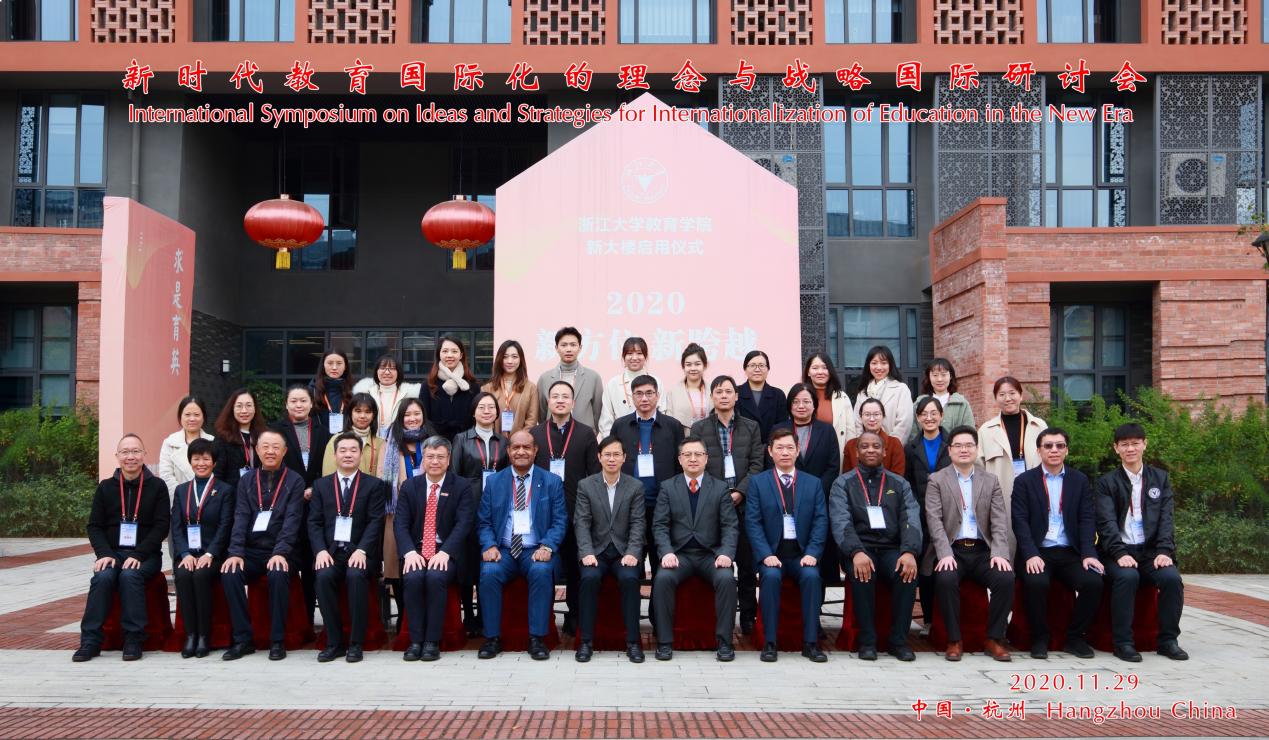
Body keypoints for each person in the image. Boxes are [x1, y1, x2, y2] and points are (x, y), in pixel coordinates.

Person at [73, 435, 171, 662]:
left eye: (135, 451)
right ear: (117, 456)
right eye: (125, 452)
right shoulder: (105, 487)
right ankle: (90, 641)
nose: (130, 457)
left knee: (130, 575)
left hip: (145, 555)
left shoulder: (157, 486)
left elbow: (161, 526)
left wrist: (139, 554)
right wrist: (104, 554)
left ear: (144, 454)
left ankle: (134, 639)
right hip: (113, 553)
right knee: (103, 577)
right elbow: (94, 526)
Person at [1095, 423, 1188, 662]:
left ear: (1144, 444)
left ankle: (1168, 641)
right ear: (1116, 448)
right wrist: (1119, 553)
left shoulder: (1160, 478)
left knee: (1171, 579)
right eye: (1124, 444)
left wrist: (1164, 550)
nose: (1130, 449)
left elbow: (1166, 518)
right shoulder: (1106, 482)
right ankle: (1123, 643)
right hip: (1117, 552)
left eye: (1135, 443)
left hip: (1150, 552)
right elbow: (1106, 523)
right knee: (1127, 577)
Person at [1012, 427, 1104, 660]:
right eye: (1048, 446)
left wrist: (1088, 553)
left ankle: (1074, 637)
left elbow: (1087, 519)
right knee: (1036, 582)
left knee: (1093, 582)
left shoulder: (1079, 480)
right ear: (1039, 451)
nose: (1054, 450)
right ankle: (1039, 637)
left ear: (1066, 450)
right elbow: (1019, 521)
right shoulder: (1024, 481)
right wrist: (1030, 553)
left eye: (1060, 446)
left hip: (1070, 551)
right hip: (1038, 550)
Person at [830, 430, 922, 661]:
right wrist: (856, 551)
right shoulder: (843, 483)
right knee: (863, 573)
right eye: (865, 446)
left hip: (892, 549)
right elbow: (841, 522)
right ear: (856, 452)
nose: (870, 450)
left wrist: (909, 551)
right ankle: (867, 641)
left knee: (906, 573)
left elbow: (911, 519)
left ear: (884, 452)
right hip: (860, 548)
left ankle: (898, 642)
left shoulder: (899, 483)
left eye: (875, 446)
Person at [924, 426, 1013, 662]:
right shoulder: (937, 480)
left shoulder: (990, 480)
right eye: (958, 445)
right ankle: (954, 640)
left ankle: (994, 638)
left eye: (969, 445)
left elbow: (999, 520)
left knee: (1005, 578)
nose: (964, 449)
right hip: (952, 550)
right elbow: (934, 521)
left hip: (983, 550)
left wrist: (999, 553)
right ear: (949, 450)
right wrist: (944, 554)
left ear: (976, 449)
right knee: (945, 579)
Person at [476, 430, 567, 660]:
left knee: (541, 571)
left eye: (526, 447)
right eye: (516, 447)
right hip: (504, 550)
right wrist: (489, 545)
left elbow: (560, 521)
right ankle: (492, 638)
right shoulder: (494, 482)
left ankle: (537, 639)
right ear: (508, 451)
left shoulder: (552, 481)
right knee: (489, 572)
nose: (521, 452)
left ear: (535, 451)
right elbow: (484, 521)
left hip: (535, 549)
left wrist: (547, 547)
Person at [220, 429, 307, 661]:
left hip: (284, 551)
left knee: (278, 572)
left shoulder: (295, 481)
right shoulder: (246, 480)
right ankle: (243, 639)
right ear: (257, 450)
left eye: (275, 447)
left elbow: (292, 522)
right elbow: (240, 517)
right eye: (265, 447)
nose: (270, 451)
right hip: (251, 551)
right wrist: (235, 552)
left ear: (284, 451)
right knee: (230, 572)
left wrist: (281, 552)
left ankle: (277, 640)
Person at [650, 437, 739, 662]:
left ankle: (725, 643)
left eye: (698, 454)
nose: (692, 459)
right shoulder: (668, 487)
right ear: (679, 459)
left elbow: (730, 526)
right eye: (687, 454)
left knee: (727, 579)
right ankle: (664, 642)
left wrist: (726, 553)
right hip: (679, 555)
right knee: (662, 579)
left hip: (710, 555)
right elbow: (660, 525)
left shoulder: (720, 488)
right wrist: (666, 552)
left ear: (706, 459)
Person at [745, 428, 829, 663]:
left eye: (790, 448)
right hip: (773, 555)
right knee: (771, 577)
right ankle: (770, 643)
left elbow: (821, 521)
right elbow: (753, 522)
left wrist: (813, 553)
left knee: (812, 577)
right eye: (779, 448)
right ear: (770, 451)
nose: (785, 453)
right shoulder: (758, 483)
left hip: (802, 555)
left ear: (797, 450)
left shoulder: (813, 483)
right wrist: (765, 554)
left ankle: (810, 643)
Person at [691, 375, 763, 635]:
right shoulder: (699, 428)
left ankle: (748, 617)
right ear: (712, 396)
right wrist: (721, 495)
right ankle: (716, 617)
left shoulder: (751, 427)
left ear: (736, 396)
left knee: (746, 564)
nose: (723, 396)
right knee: (716, 563)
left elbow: (757, 464)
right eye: (719, 391)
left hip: (744, 505)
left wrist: (741, 491)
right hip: (711, 506)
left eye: (728, 391)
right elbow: (695, 465)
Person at [529, 380, 600, 636]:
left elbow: (594, 475)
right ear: (548, 401)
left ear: (573, 402)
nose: (560, 400)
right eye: (555, 396)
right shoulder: (535, 434)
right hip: (542, 515)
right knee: (544, 567)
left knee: (575, 568)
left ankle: (575, 616)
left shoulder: (586, 434)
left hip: (577, 511)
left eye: (565, 396)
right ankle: (544, 619)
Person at [395, 435, 475, 662]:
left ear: (448, 460)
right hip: (417, 549)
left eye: (440, 457)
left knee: (435, 576)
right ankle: (415, 641)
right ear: (423, 459)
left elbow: (464, 524)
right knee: (413, 577)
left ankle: (432, 641)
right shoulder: (410, 486)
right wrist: (409, 552)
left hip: (447, 550)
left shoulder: (461, 486)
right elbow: (400, 524)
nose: (435, 461)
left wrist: (445, 552)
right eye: (430, 456)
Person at [309, 433, 387, 663]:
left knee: (355, 575)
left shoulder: (374, 485)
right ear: (335, 455)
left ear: (360, 454)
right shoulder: (321, 485)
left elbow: (375, 521)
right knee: (323, 576)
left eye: (353, 450)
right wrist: (320, 551)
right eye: (342, 450)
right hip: (330, 552)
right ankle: (334, 642)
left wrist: (362, 550)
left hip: (361, 552)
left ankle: (356, 643)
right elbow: (314, 522)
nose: (348, 455)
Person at [573, 436, 646, 663]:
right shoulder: (586, 485)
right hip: (596, 551)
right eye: (607, 454)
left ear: (624, 458)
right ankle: (586, 642)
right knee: (589, 578)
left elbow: (638, 523)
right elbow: (581, 522)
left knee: (630, 579)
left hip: (624, 552)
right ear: (599, 457)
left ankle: (633, 642)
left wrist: (633, 552)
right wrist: (586, 552)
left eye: (616, 454)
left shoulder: (635, 486)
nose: (611, 459)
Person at [771, 383, 843, 597]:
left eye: (806, 401)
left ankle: (815, 607)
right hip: (784, 501)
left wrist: (813, 491)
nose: (801, 406)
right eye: (796, 402)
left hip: (817, 501)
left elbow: (833, 466)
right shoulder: (778, 429)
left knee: (816, 560)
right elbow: (771, 465)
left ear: (814, 405)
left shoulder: (826, 430)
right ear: (789, 405)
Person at [611, 375, 685, 578]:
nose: (644, 398)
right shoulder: (620, 425)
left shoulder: (673, 426)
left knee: (660, 560)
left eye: (649, 393)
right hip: (629, 504)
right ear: (632, 397)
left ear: (658, 396)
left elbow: (680, 466)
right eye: (639, 394)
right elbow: (613, 459)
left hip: (662, 503)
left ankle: (657, 601)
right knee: (630, 562)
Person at [449, 392, 509, 634]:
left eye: (491, 407)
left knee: (489, 559)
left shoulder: (503, 441)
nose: (486, 411)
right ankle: (469, 615)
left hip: (495, 507)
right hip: (467, 505)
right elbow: (454, 475)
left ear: (497, 413)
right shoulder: (461, 439)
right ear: (473, 412)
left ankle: (485, 614)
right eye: (481, 407)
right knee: (467, 562)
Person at [170, 439, 235, 659]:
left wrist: (210, 554)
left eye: (206, 459)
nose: (201, 463)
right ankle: (191, 635)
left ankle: (204, 636)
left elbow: (225, 526)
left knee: (201, 575)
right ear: (190, 461)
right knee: (182, 574)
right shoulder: (181, 491)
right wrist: (184, 554)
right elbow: (176, 527)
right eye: (196, 458)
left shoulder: (225, 490)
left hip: (213, 554)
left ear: (214, 462)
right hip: (188, 553)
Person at [378, 398, 438, 629]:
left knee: (426, 565)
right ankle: (404, 616)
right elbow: (382, 477)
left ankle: (425, 617)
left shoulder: (433, 441)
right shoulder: (389, 443)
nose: (412, 419)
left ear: (423, 415)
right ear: (400, 418)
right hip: (397, 512)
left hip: (430, 510)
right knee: (398, 565)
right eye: (407, 415)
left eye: (416, 414)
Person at [272, 384, 329, 627]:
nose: (298, 405)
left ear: (311, 404)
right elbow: (272, 467)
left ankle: (311, 620)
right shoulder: (276, 431)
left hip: (316, 505)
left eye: (303, 401)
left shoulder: (323, 432)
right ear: (286, 404)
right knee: (290, 561)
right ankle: (294, 622)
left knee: (312, 564)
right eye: (293, 401)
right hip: (286, 505)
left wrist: (315, 488)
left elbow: (328, 467)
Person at [978, 375, 1047, 557]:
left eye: (1012, 393)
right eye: (1001, 394)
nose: (1007, 398)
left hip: (1035, 490)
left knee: (1036, 536)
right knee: (1005, 538)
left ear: (1021, 395)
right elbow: (979, 468)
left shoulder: (1039, 425)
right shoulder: (985, 430)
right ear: (995, 398)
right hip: (1001, 494)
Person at [903, 397, 951, 629]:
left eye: (934, 413)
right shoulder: (910, 448)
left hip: (949, 514)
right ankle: (929, 620)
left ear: (941, 415)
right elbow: (908, 482)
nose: (929, 418)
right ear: (918, 418)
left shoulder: (952, 444)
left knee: (947, 565)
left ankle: (947, 620)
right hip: (921, 514)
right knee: (926, 568)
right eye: (924, 414)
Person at [537, 327, 604, 432]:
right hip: (552, 435)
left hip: (583, 436)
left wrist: (590, 434)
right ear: (556, 348)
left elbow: (598, 413)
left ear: (580, 347)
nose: (568, 349)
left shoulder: (593, 377)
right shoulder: (544, 378)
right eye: (564, 345)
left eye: (573, 345)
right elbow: (542, 414)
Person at [598, 336, 665, 437]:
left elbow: (662, 413)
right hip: (620, 440)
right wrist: (612, 443)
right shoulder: (613, 384)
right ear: (623, 357)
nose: (634, 358)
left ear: (645, 357)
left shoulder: (656, 382)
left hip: (652, 437)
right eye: (629, 353)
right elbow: (606, 421)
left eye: (639, 353)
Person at [852, 346, 914, 442]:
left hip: (891, 447)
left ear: (890, 365)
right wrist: (862, 445)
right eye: (874, 363)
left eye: (884, 363)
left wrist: (890, 446)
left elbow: (904, 423)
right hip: (865, 447)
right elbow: (857, 423)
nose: (879, 367)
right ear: (868, 365)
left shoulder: (901, 389)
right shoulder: (862, 393)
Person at [423, 334, 479, 441]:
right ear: (439, 354)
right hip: (436, 444)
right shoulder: (428, 385)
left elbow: (476, 420)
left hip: (466, 443)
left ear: (461, 355)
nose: (449, 355)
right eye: (445, 351)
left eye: (454, 351)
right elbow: (424, 419)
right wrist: (436, 441)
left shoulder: (472, 386)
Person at [158, 396, 214, 501]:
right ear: (180, 416)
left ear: (203, 417)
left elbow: (217, 476)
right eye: (187, 415)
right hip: (180, 502)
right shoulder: (170, 443)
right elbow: (166, 476)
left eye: (196, 415)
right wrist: (185, 498)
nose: (192, 419)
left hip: (208, 501)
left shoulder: (213, 442)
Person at [352, 353, 421, 437]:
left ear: (398, 372)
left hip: (401, 441)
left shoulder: (409, 395)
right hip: (371, 441)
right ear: (376, 371)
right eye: (382, 368)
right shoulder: (366, 393)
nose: (387, 372)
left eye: (392, 368)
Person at [211, 388, 268, 488]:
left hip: (259, 493)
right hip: (232, 494)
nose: (244, 411)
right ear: (232, 409)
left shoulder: (264, 435)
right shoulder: (222, 438)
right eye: (239, 406)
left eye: (249, 405)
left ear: (255, 408)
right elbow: (217, 475)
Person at [481, 339, 539, 436]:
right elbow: (483, 418)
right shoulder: (487, 388)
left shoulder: (531, 388)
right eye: (505, 357)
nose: (510, 361)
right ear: (499, 359)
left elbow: (531, 420)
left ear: (521, 359)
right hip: (493, 442)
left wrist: (519, 439)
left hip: (520, 443)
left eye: (514, 357)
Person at [802, 352, 857, 452]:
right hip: (807, 452)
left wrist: (850, 456)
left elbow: (851, 432)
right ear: (808, 372)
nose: (820, 372)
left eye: (825, 368)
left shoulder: (842, 397)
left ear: (830, 371)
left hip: (835, 452)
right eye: (815, 368)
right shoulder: (800, 396)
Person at [909, 358, 974, 442]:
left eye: (943, 375)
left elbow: (970, 433)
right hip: (924, 449)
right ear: (929, 377)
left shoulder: (962, 404)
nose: (939, 379)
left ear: (950, 376)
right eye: (935, 375)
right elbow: (913, 435)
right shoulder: (919, 403)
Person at [320, 393, 383, 476]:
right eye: (358, 411)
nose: (362, 416)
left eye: (368, 412)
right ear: (350, 413)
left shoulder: (380, 443)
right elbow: (328, 476)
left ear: (373, 415)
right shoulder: (336, 439)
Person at [736, 350, 788, 443]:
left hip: (770, 447)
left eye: (761, 365)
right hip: (742, 447)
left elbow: (782, 427)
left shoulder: (778, 395)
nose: (757, 369)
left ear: (768, 369)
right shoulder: (736, 393)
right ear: (745, 369)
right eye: (752, 365)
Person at [843, 398, 905, 475]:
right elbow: (846, 477)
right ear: (861, 417)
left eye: (876, 414)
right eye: (867, 414)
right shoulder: (851, 445)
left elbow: (898, 478)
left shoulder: (894, 444)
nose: (872, 419)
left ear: (883, 416)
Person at [664, 343, 713, 427]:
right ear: (683, 367)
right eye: (688, 365)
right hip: (682, 434)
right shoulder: (673, 393)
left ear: (705, 365)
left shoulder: (713, 390)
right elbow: (669, 422)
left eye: (697, 364)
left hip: (709, 434)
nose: (693, 368)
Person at [311, 350, 354, 437]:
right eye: (330, 363)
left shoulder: (353, 391)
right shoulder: (312, 391)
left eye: (339, 363)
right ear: (323, 365)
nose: (334, 367)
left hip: (346, 441)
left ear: (345, 366)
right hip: (319, 441)